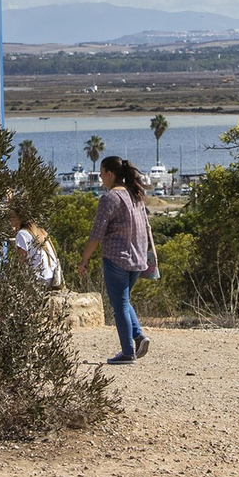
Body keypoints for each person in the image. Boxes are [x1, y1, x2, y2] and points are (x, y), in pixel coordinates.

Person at [77, 156, 152, 365]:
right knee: (123, 300)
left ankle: (128, 351)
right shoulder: (136, 194)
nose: (101, 178)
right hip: (138, 258)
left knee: (119, 305)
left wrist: (84, 260)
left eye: (101, 173)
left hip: (117, 258)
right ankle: (138, 337)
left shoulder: (110, 198)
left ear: (110, 174)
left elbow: (96, 234)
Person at [7, 200, 61, 289]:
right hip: (52, 278)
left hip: (38, 279)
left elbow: (22, 261)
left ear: (19, 217)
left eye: (12, 216)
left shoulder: (22, 234)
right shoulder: (41, 231)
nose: (9, 219)